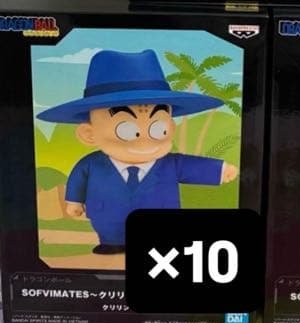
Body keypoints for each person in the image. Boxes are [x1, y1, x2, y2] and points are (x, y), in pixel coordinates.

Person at [38, 48, 237, 254]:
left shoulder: (170, 163)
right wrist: (74, 201)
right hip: (106, 218)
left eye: (158, 129)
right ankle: (112, 243)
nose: (145, 141)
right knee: (110, 234)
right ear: (89, 134)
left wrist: (220, 170)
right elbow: (78, 180)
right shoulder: (91, 164)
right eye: (126, 130)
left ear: (170, 127)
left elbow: (192, 167)